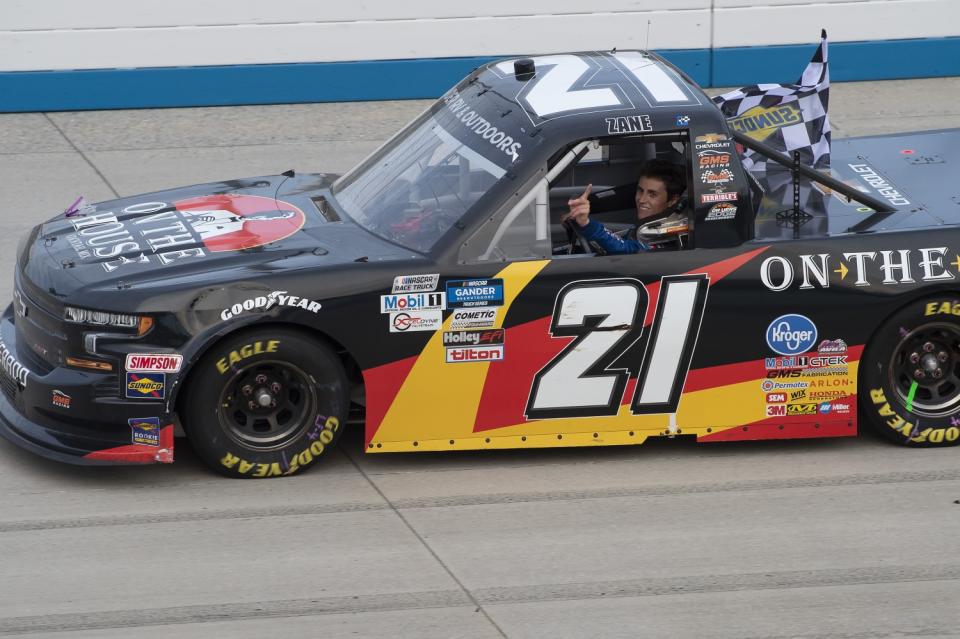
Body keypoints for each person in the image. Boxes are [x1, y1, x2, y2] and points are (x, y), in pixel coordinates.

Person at [561, 159, 685, 254]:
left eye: (652, 194)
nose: (641, 199)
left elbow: (625, 249)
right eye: (640, 190)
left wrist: (587, 224)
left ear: (672, 200)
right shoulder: (644, 228)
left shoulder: (669, 235)